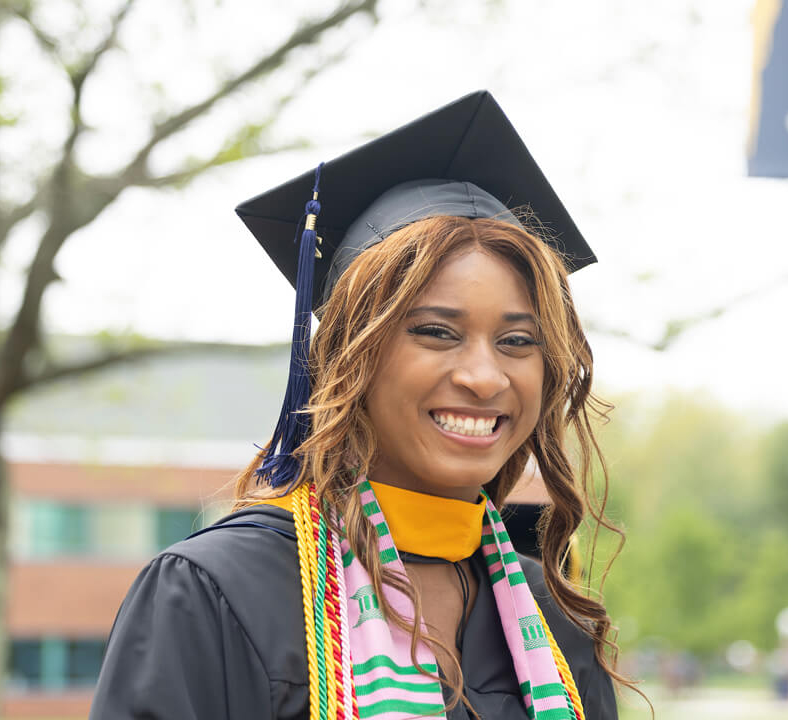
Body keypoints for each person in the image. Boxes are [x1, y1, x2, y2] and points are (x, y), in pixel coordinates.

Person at [89, 91, 630, 719]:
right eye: (436, 331)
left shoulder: (552, 620)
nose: (485, 377)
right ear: (350, 357)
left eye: (517, 341)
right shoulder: (219, 590)